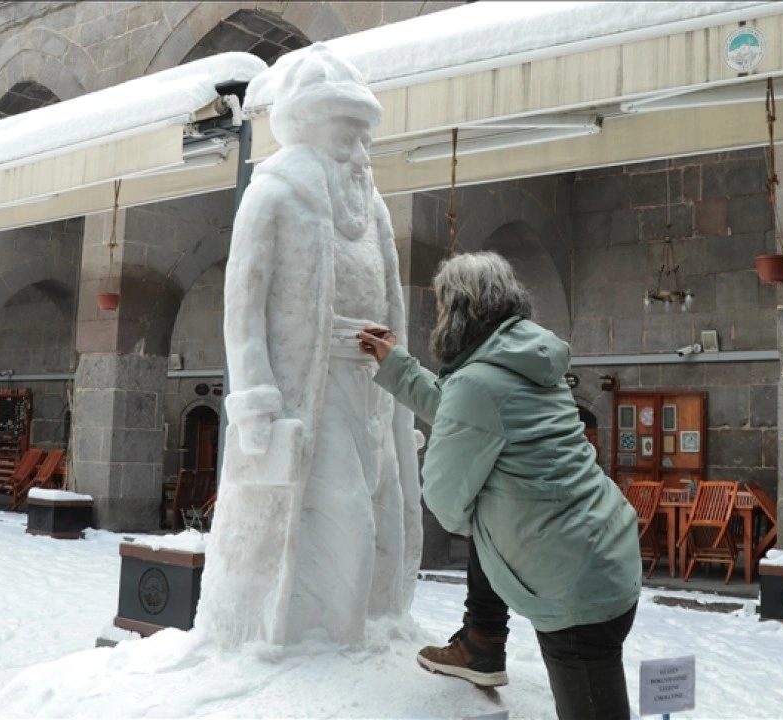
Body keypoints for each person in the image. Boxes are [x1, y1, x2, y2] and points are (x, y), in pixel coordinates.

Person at [196, 44, 421, 648]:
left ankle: (374, 626)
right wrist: (255, 394)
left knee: (383, 512)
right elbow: (241, 306)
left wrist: (399, 380)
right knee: (345, 513)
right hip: (309, 389)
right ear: (311, 131)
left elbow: (392, 300)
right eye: (346, 136)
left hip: (373, 383)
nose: (360, 154)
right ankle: (326, 641)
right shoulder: (273, 195)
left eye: (364, 137)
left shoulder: (371, 209)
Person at [358, 252, 641, 719]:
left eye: (444, 306)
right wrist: (399, 367)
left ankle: (482, 641)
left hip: (570, 584)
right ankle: (481, 641)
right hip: (603, 552)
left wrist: (489, 518)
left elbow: (446, 499)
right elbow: (465, 413)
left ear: (462, 310)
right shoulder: (523, 361)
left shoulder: (478, 382)